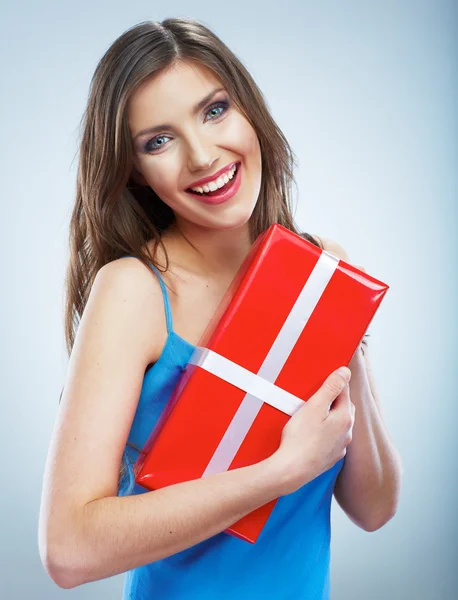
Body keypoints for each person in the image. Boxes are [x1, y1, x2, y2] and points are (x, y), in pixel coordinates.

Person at [38, 17, 403, 599]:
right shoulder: (133, 291)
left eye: (214, 110)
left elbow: (376, 507)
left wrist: (339, 333)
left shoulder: (321, 270)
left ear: (248, 110)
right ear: (134, 170)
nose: (203, 156)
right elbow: (67, 549)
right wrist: (278, 474)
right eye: (159, 140)